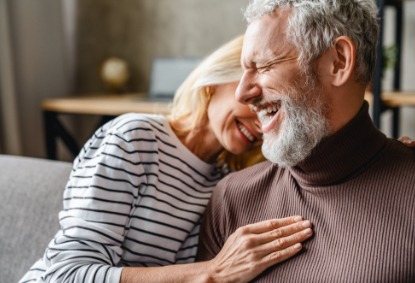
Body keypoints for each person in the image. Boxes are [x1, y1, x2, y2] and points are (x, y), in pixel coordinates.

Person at [20, 35, 314, 283]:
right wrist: (212, 273)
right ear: (216, 80)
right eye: (256, 100)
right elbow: (67, 274)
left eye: (273, 112)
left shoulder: (224, 182)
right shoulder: (134, 139)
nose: (261, 121)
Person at [198, 0, 415, 282]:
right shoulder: (232, 199)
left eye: (263, 66)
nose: (242, 93)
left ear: (339, 62)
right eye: (243, 71)